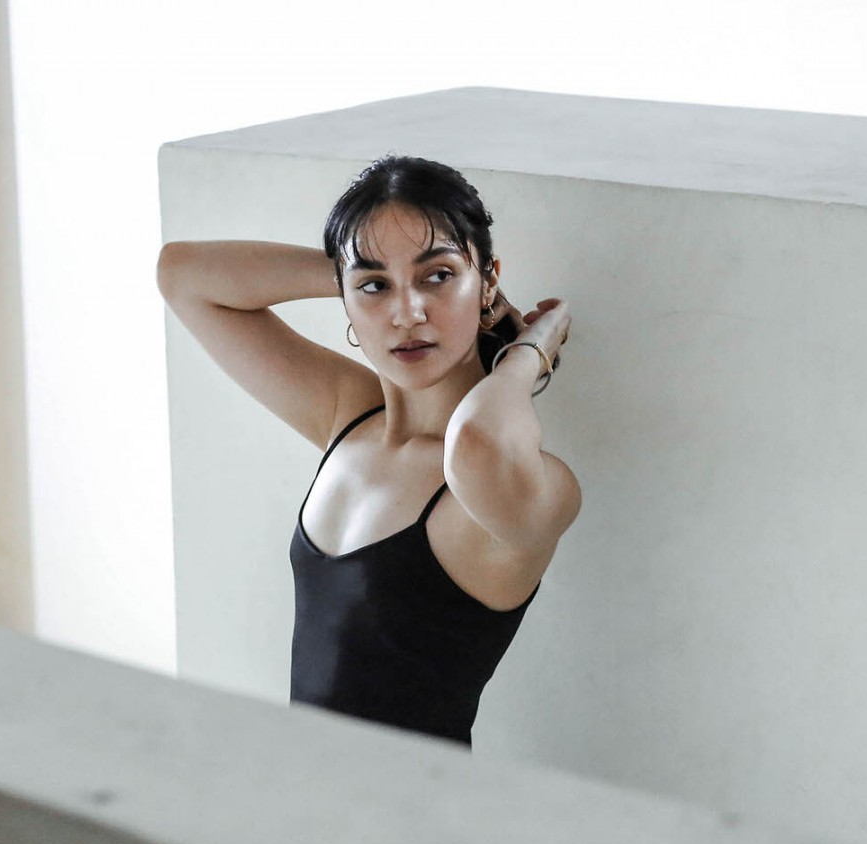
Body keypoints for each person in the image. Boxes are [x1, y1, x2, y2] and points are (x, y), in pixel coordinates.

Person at [156, 155, 579, 747]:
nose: (408, 314)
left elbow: (476, 442)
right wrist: (353, 273)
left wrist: (529, 350)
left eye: (438, 276)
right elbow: (183, 276)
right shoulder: (349, 416)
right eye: (377, 287)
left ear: (488, 282)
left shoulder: (529, 481)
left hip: (417, 804)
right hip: (300, 793)